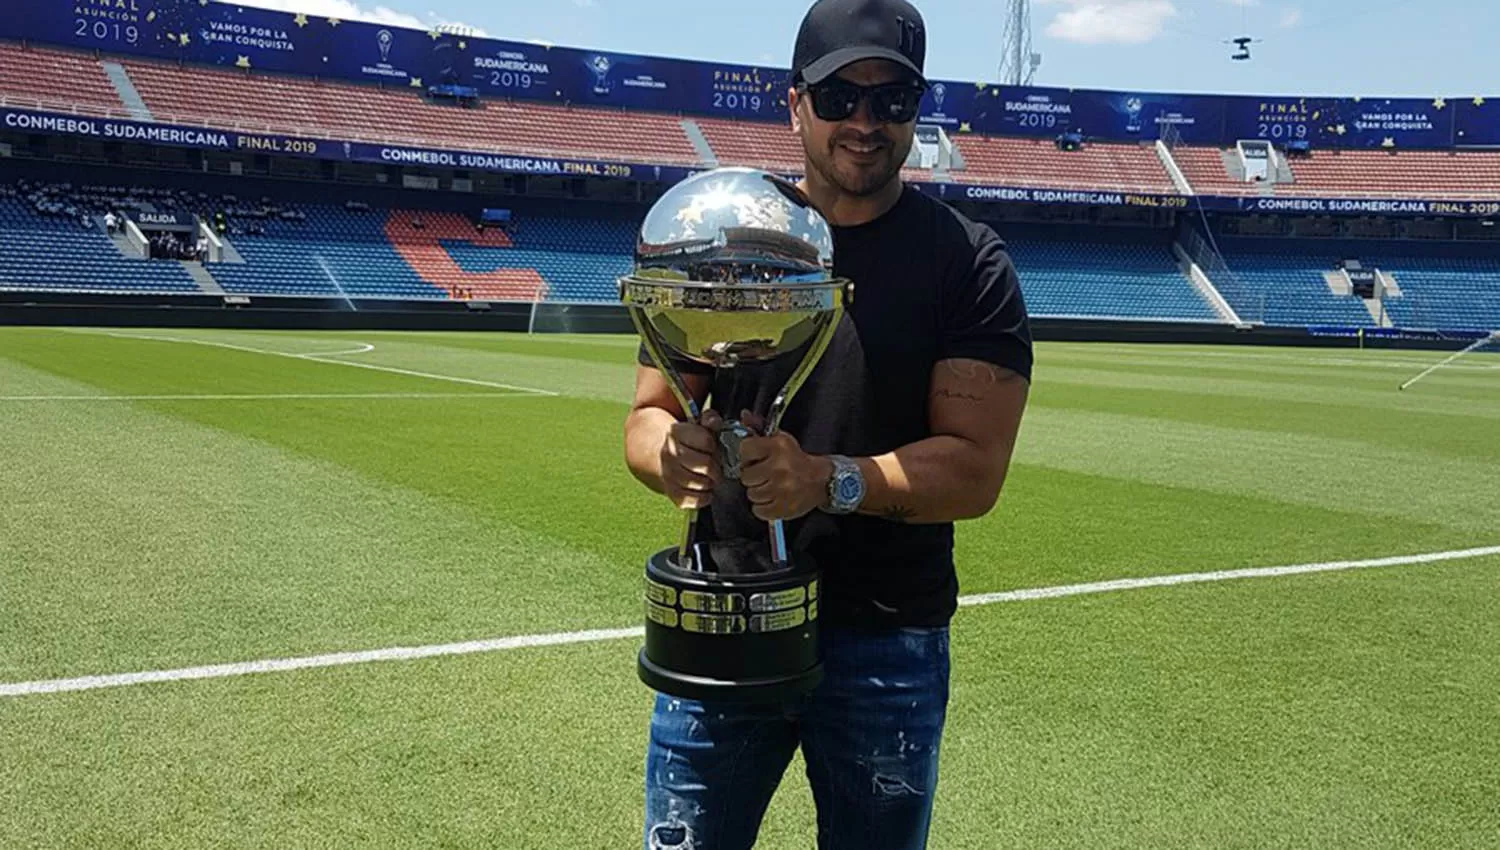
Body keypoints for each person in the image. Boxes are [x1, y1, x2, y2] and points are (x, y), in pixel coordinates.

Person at [622, 1, 1032, 847]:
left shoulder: (968, 261)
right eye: (842, 94)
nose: (865, 122)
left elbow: (973, 470)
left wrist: (828, 479)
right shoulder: (730, 234)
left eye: (893, 102)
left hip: (886, 637)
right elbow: (647, 420)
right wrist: (670, 457)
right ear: (795, 101)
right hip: (724, 613)